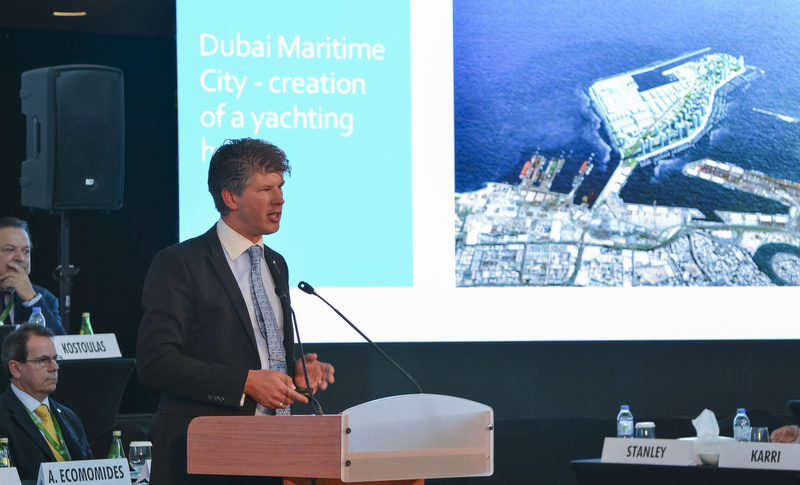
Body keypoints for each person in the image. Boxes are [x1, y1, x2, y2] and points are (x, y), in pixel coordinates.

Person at [137, 138, 335, 485]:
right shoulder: (181, 263)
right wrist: (245, 382)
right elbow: (155, 362)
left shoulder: (276, 264)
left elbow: (251, 350)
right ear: (230, 197)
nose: (280, 199)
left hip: (274, 452)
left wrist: (292, 373)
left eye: (280, 187)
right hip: (206, 455)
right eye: (266, 189)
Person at [0, 324, 93, 480]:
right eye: (43, 360)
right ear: (15, 368)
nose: (55, 367)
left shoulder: (70, 417)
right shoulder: (2, 417)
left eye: (55, 359)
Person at [0, 217, 65, 335]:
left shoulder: (45, 298)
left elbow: (59, 343)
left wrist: (32, 299)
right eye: (10, 250)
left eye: (26, 251)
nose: (20, 258)